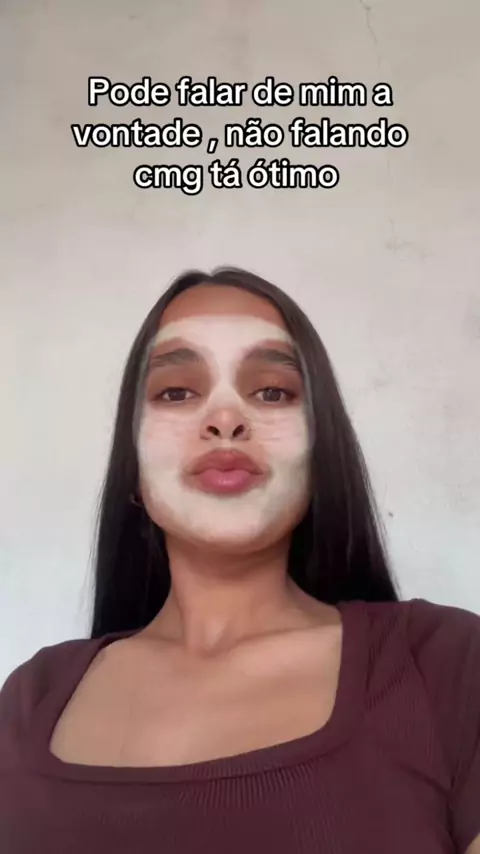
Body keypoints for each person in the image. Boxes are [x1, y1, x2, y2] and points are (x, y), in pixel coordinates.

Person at [0, 267, 479, 854]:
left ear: (320, 452)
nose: (225, 418)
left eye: (272, 392)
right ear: (133, 466)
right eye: (176, 392)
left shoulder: (446, 667)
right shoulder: (29, 701)